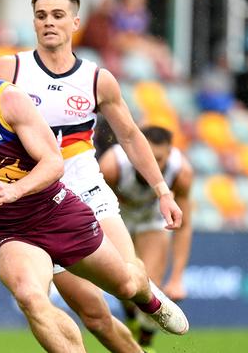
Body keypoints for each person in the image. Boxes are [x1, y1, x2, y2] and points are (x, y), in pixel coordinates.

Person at [0, 27, 188, 353]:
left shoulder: (7, 100)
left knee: (126, 284)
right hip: (9, 231)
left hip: (55, 213)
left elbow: (53, 164)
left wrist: (13, 190)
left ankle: (149, 297)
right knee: (31, 298)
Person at [0, 0, 187, 351]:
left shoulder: (97, 79)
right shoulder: (10, 69)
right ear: (33, 21)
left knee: (128, 281)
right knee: (95, 316)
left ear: (75, 22)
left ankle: (148, 297)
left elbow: (130, 136)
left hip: (87, 192)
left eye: (58, 15)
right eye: (42, 15)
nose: (49, 22)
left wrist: (163, 191)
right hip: (39, 204)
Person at [99, 126, 193, 352]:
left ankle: (144, 344)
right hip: (115, 215)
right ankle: (132, 316)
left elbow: (184, 225)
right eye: (147, 156)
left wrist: (178, 277)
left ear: (170, 154)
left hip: (152, 219)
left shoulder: (181, 173)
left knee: (151, 282)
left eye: (159, 159)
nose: (153, 165)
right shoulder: (112, 166)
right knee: (123, 280)